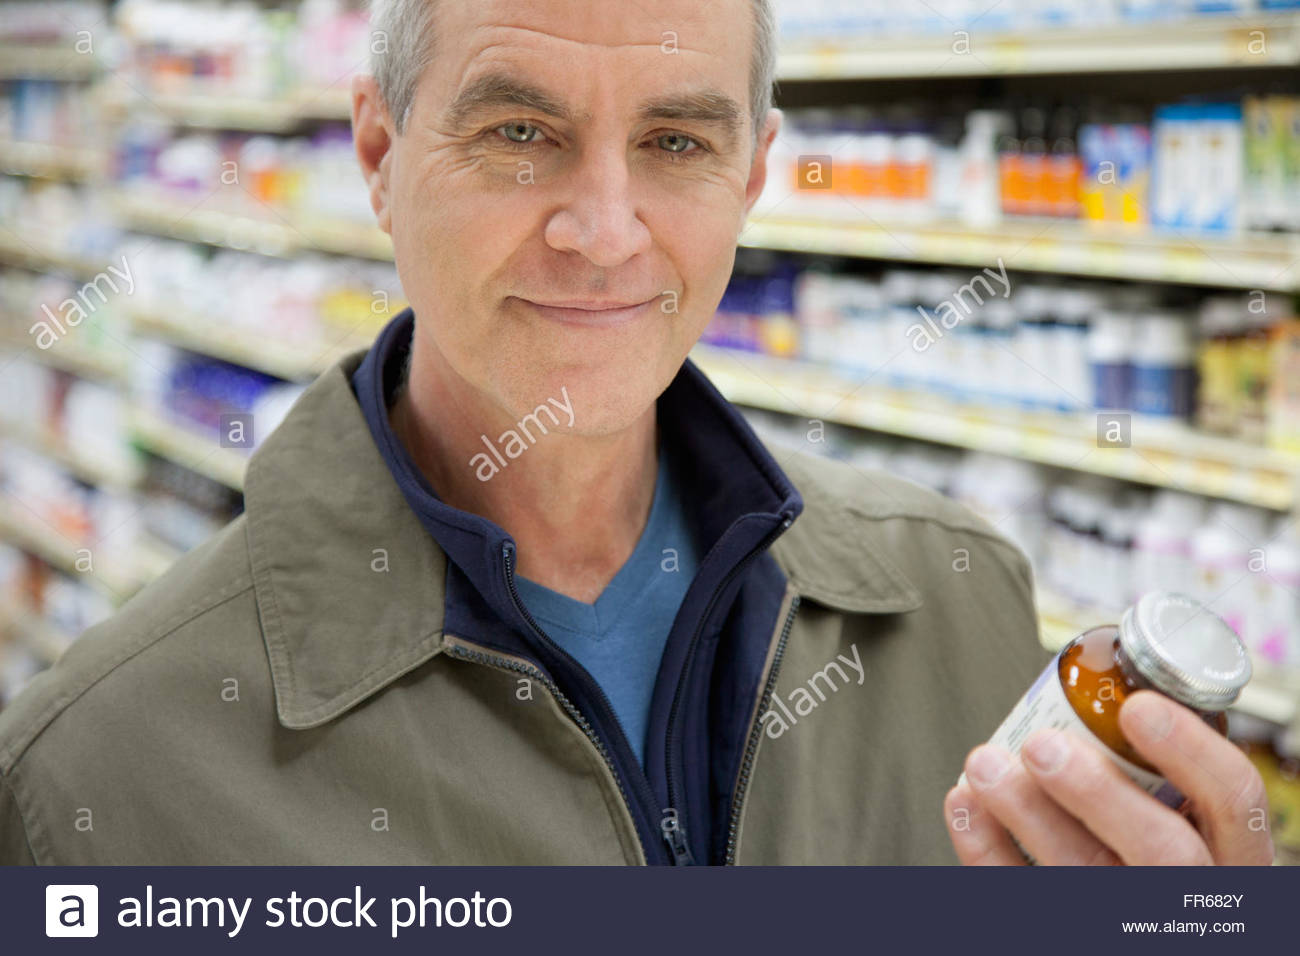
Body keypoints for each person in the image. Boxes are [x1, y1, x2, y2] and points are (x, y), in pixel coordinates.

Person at [0, 0, 1271, 866]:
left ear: (752, 175)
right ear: (379, 155)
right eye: (518, 133)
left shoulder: (957, 599)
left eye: (674, 140)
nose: (603, 230)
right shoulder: (92, 779)